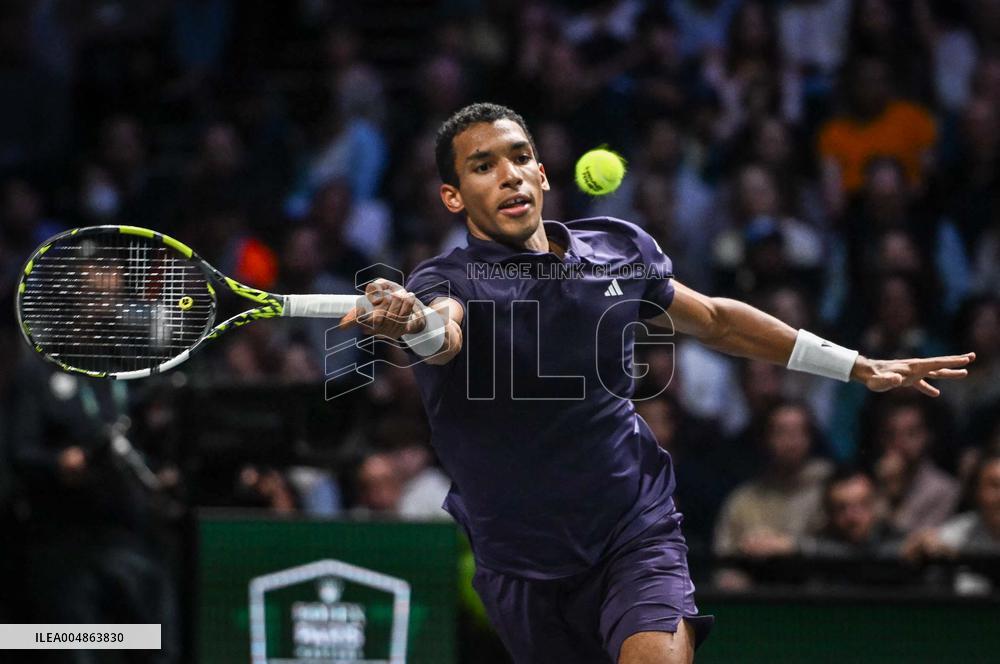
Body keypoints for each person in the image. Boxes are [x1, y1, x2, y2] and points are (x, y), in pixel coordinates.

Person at [340, 103, 974, 664]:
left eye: (521, 157)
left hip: (631, 530)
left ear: (543, 173)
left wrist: (856, 365)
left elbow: (720, 321)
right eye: (482, 166)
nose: (509, 174)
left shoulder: (617, 249)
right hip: (518, 564)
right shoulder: (442, 282)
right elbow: (439, 334)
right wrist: (408, 322)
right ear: (453, 197)